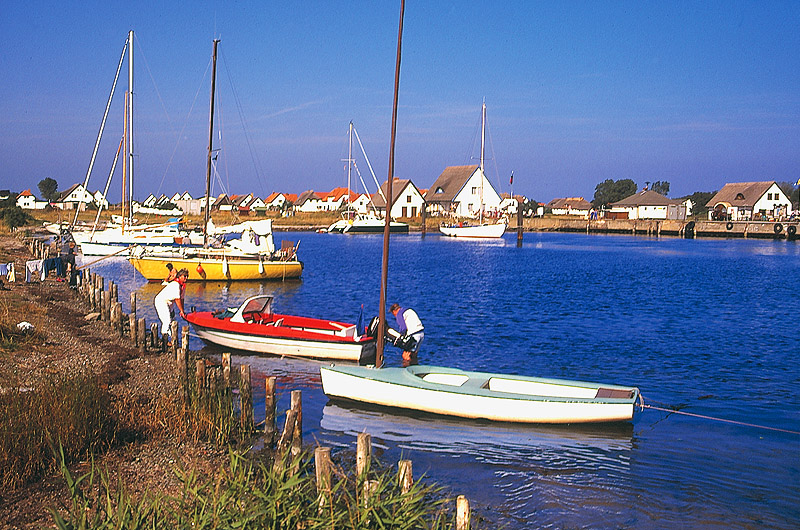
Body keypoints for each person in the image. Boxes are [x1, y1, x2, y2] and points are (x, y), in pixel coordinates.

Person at [154, 267, 188, 345]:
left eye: (187, 276)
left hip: (169, 302)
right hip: (161, 301)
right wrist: (181, 311)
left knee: (173, 320)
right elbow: (177, 299)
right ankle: (165, 340)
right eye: (184, 276)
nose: (186, 278)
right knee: (167, 321)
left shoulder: (183, 286)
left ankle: (173, 338)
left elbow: (181, 299)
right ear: (180, 276)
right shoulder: (176, 285)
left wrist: (182, 310)